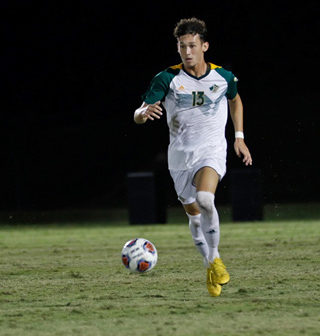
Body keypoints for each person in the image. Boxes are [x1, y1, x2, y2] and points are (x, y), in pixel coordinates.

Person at [134, 17, 252, 297]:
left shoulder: (222, 77)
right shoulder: (167, 78)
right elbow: (139, 113)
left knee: (205, 199)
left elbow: (235, 99)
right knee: (194, 216)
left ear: (205, 46)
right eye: (182, 46)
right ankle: (210, 263)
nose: (187, 52)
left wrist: (239, 137)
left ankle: (216, 259)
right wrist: (143, 114)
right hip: (179, 158)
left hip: (211, 151)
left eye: (192, 46)